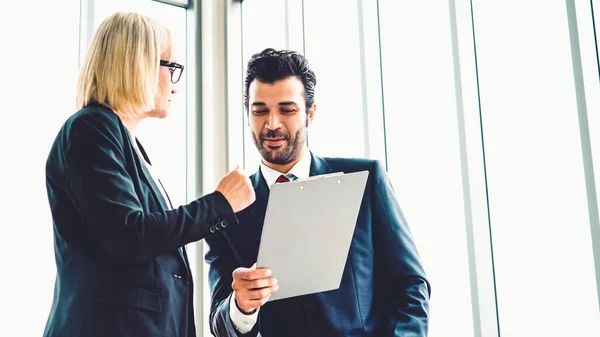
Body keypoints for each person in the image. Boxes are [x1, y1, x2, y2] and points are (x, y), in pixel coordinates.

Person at [43, 12, 255, 337]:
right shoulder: (91, 129)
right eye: (172, 68)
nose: (176, 84)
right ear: (139, 65)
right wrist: (219, 204)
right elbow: (131, 237)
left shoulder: (124, 143)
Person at [204, 48, 431, 337]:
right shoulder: (226, 211)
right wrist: (241, 307)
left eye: (287, 110)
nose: (272, 124)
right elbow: (220, 323)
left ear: (310, 113)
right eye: (260, 110)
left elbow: (411, 285)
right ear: (248, 114)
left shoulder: (366, 179)